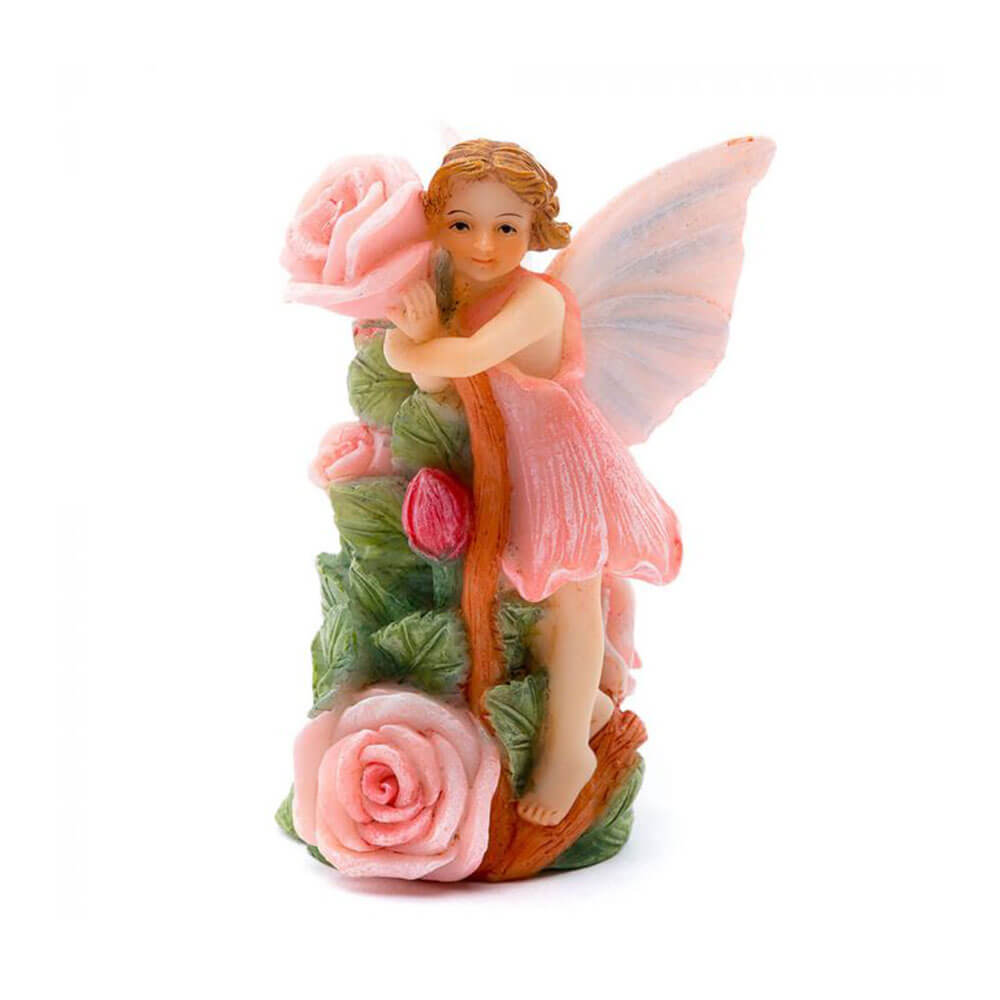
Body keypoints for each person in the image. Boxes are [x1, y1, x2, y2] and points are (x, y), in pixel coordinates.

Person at [383, 140, 681, 826]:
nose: (484, 244)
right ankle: (583, 704)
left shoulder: (538, 301)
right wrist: (422, 337)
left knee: (572, 598)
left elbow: (466, 357)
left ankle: (569, 751)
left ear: (535, 229)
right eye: (462, 224)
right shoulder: (464, 293)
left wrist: (406, 342)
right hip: (512, 469)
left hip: (564, 466)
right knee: (536, 611)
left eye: (507, 227)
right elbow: (437, 381)